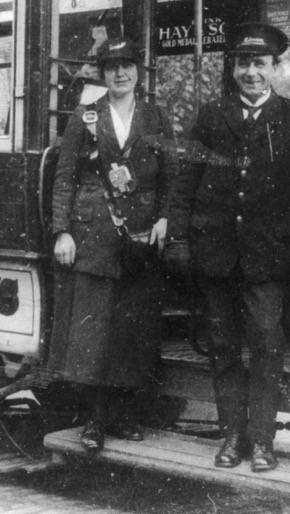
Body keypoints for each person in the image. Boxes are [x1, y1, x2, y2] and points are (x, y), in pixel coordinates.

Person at [169, 22, 290, 472]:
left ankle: (262, 442)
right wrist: (181, 240)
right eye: (243, 63)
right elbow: (186, 181)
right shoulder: (210, 116)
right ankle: (231, 438)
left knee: (266, 344)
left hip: (267, 256)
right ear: (234, 68)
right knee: (222, 346)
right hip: (217, 253)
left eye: (260, 64)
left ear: (275, 68)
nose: (251, 72)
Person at [49, 37, 179, 451]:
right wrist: (62, 231)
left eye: (126, 65)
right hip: (93, 236)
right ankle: (94, 420)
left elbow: (170, 175)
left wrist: (163, 218)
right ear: (102, 74)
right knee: (94, 329)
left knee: (131, 327)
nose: (119, 73)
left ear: (138, 71)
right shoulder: (86, 116)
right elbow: (65, 174)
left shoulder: (156, 116)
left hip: (139, 236)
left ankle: (122, 416)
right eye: (111, 67)